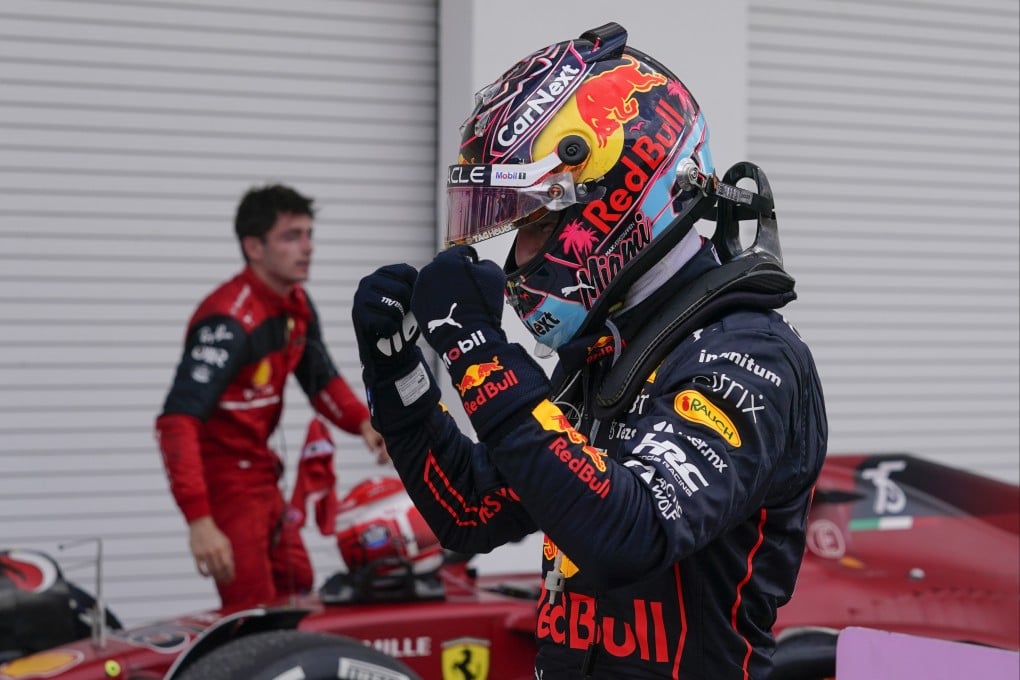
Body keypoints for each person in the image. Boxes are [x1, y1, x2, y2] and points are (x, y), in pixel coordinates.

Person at [351, 22, 827, 679]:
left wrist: (479, 350)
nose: (516, 259)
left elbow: (630, 533)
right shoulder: (609, 352)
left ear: (619, 199)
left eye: (538, 223)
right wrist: (401, 375)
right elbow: (470, 511)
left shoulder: (749, 354)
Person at [156, 183, 387, 610]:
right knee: (252, 614)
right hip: (227, 487)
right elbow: (176, 422)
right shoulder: (227, 320)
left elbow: (321, 379)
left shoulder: (295, 303)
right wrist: (200, 522)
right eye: (291, 236)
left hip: (264, 477)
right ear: (253, 247)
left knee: (297, 585)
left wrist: (363, 423)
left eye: (309, 234)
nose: (308, 247)